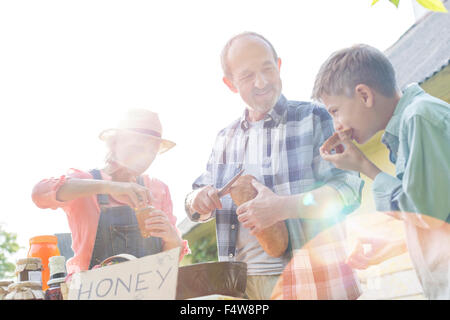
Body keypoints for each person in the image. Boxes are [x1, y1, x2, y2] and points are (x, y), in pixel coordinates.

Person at [184, 32, 364, 300]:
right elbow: (194, 202)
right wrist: (198, 200)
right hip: (241, 287)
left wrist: (282, 207)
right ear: (230, 83)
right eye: (247, 76)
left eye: (267, 69)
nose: (262, 82)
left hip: (313, 281)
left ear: (278, 66)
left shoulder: (315, 118)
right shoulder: (224, 139)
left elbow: (348, 189)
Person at [311, 44, 450, 299]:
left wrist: (365, 166)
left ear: (364, 95)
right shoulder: (410, 125)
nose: (336, 125)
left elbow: (425, 212)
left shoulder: (419, 117)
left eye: (335, 111)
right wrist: (396, 245)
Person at [32, 109, 189, 276]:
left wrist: (172, 239)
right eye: (136, 146)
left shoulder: (158, 189)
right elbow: (39, 194)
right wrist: (112, 186)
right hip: (93, 291)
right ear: (115, 143)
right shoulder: (86, 181)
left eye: (152, 150)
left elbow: (167, 264)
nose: (145, 156)